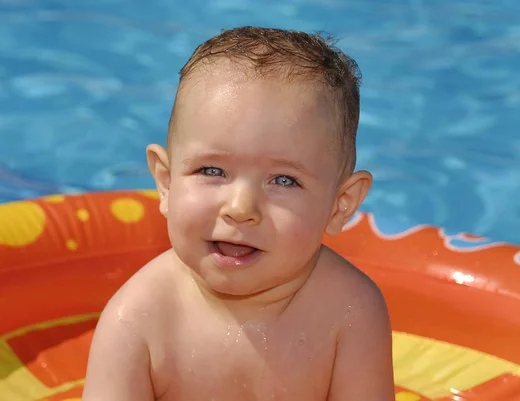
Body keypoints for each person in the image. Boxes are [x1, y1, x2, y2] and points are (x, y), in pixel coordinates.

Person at [82, 26, 395, 401]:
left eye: (283, 180)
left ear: (340, 204)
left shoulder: (351, 312)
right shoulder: (137, 319)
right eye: (212, 171)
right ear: (165, 183)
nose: (241, 209)